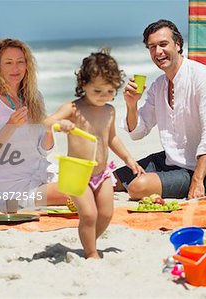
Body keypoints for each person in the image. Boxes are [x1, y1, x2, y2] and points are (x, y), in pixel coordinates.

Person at [45, 49, 144, 258]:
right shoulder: (73, 108)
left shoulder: (109, 111)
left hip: (102, 173)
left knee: (106, 214)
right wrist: (60, 124)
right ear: (83, 85)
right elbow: (47, 121)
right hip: (76, 172)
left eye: (109, 92)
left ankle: (88, 241)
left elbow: (112, 139)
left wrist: (128, 159)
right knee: (89, 214)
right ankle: (91, 253)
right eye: (97, 91)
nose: (103, 97)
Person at [114, 19, 206, 200]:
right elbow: (138, 133)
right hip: (169, 161)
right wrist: (131, 104)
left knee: (137, 187)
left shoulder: (202, 76)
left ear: (178, 44)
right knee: (112, 181)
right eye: (152, 47)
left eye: (163, 44)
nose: (158, 52)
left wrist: (198, 180)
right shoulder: (158, 85)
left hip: (202, 173)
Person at [0, 38, 67, 212]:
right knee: (79, 192)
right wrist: (10, 126)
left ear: (27, 65)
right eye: (8, 63)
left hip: (43, 177)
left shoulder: (34, 97)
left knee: (91, 182)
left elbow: (44, 150)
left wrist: (48, 128)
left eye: (20, 62)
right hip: (12, 190)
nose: (15, 68)